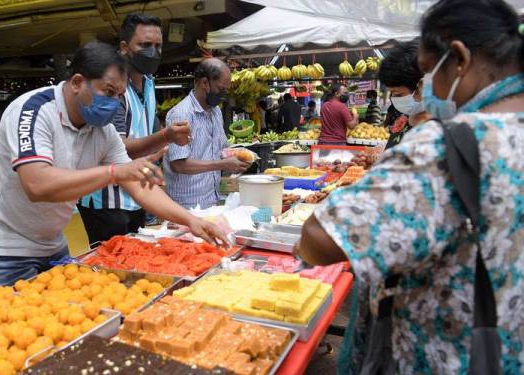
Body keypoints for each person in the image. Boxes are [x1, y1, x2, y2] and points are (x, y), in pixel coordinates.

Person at [295, 0, 524, 373]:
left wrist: (305, 241)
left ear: (460, 59)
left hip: (443, 357)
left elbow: (322, 239)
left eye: (426, 74)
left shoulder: (449, 145)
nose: (424, 91)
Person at [0, 41, 227, 286]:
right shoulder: (34, 111)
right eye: (108, 92)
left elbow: (138, 185)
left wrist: (190, 220)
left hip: (50, 244)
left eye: (118, 96)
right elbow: (37, 184)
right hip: (2, 249)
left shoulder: (102, 130)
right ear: (77, 82)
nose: (113, 104)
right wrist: (114, 172)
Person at [77, 14, 191, 244]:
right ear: (124, 47)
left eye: (158, 46)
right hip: (108, 202)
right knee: (111, 268)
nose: (153, 52)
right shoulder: (113, 91)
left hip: (137, 193)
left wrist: (167, 139)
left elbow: (150, 128)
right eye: (145, 45)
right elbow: (118, 149)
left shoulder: (149, 82)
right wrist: (164, 136)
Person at [164, 58, 251, 209]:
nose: (223, 95)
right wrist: (222, 164)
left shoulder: (215, 111)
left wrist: (238, 155)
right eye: (221, 89)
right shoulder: (181, 114)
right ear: (204, 83)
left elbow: (220, 148)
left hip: (212, 200)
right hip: (187, 206)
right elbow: (178, 164)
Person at [379, 40, 429, 149]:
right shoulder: (402, 121)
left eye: (398, 94)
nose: (393, 99)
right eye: (391, 94)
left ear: (422, 85)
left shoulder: (439, 131)